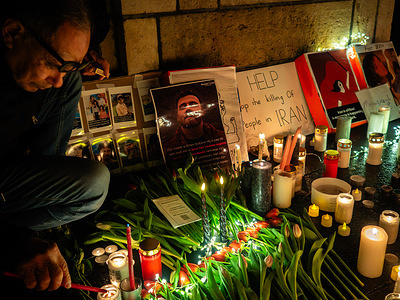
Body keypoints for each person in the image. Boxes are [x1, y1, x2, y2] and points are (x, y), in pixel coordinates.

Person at [0, 0, 110, 294]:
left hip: (13, 173)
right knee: (95, 182)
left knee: (71, 82)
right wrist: (16, 242)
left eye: (68, 64)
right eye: (52, 63)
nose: (56, 79)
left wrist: (76, 64)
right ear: (12, 33)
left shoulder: (53, 76)